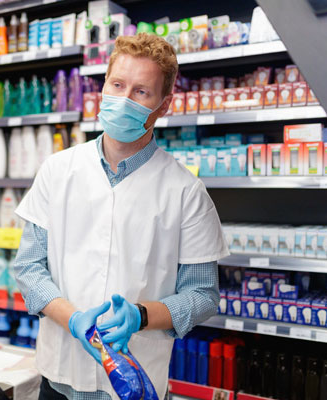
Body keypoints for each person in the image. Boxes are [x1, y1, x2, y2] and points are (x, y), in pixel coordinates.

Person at [13, 34, 229, 400]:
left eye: (141, 92)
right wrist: (73, 319)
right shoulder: (57, 170)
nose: (124, 99)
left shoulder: (186, 192)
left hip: (134, 384)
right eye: (117, 85)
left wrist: (140, 316)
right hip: (58, 379)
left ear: (164, 105)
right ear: (103, 87)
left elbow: (202, 295)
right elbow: (29, 269)